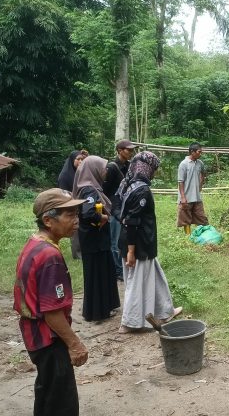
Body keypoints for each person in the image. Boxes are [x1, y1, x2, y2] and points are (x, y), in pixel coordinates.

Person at [13, 188, 89, 416]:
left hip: (35, 335)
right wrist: (75, 344)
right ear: (48, 220)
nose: (76, 220)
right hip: (49, 339)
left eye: (76, 213)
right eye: (69, 214)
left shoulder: (34, 244)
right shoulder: (49, 257)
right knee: (62, 403)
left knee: (48, 394)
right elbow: (52, 313)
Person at [117, 151, 182, 333]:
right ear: (147, 168)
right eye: (154, 168)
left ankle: (165, 311)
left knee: (155, 277)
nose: (155, 172)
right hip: (139, 243)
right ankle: (129, 323)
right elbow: (132, 221)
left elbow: (118, 210)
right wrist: (131, 251)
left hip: (130, 240)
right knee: (136, 282)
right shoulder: (142, 190)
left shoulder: (128, 184)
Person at [73, 156, 121, 322]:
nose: (106, 171)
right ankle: (96, 312)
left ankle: (102, 308)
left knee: (100, 274)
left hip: (95, 240)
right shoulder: (89, 190)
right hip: (95, 241)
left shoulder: (90, 188)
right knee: (96, 276)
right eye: (103, 168)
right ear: (93, 169)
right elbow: (88, 213)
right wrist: (103, 218)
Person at [104, 140, 136, 282]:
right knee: (115, 240)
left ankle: (122, 266)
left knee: (124, 238)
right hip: (114, 209)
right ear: (120, 150)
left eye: (132, 150)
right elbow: (105, 190)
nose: (131, 152)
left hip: (126, 207)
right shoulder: (111, 167)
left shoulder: (129, 166)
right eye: (128, 150)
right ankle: (117, 270)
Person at [59, 150, 89, 260]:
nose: (81, 161)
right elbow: (63, 193)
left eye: (82, 159)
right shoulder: (65, 175)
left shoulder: (81, 172)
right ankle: (77, 253)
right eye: (78, 159)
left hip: (82, 203)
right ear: (72, 160)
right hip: (71, 204)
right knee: (75, 229)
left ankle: (84, 250)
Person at [177, 142, 208, 235]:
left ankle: (202, 236)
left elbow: (203, 174)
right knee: (185, 219)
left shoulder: (200, 163)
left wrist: (200, 185)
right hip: (186, 196)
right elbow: (180, 181)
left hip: (197, 197)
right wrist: (183, 197)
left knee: (201, 217)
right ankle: (188, 237)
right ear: (192, 152)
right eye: (199, 152)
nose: (200, 154)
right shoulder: (184, 164)